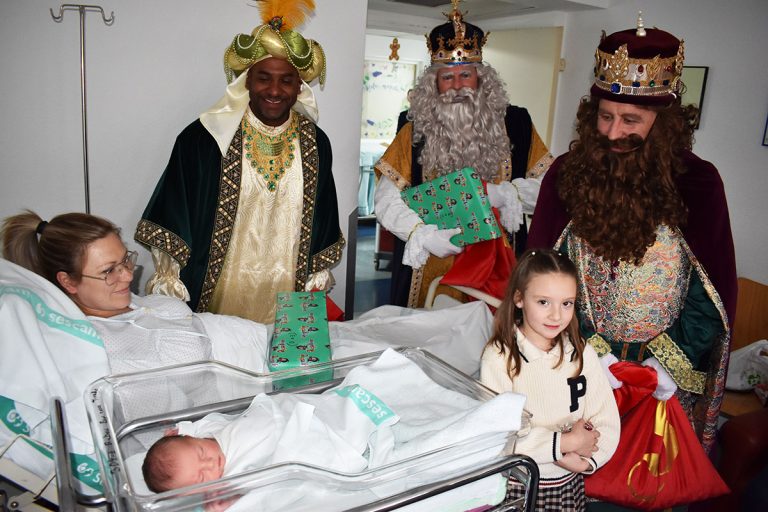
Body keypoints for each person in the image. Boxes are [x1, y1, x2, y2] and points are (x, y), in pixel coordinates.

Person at [527, 15, 737, 459]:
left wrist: (662, 366)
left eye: (630, 119)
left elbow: (711, 294)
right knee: (574, 475)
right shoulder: (567, 174)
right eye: (604, 117)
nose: (613, 133)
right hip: (577, 364)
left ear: (664, 124)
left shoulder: (698, 184)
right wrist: (590, 355)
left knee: (647, 488)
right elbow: (541, 277)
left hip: (663, 385)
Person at [134, 4, 344, 324]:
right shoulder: (204, 139)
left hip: (288, 297)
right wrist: (170, 277)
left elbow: (324, 218)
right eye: (264, 78)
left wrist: (316, 275)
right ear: (246, 81)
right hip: (217, 301)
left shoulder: (315, 143)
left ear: (300, 87)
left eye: (286, 80)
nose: (274, 90)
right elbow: (175, 211)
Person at [374, 0, 553, 308]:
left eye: (465, 75)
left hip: (499, 267)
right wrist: (421, 234)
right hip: (431, 266)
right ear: (434, 84)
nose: (457, 86)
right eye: (447, 77)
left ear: (482, 78)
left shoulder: (517, 123)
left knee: (491, 344)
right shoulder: (413, 126)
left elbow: (549, 188)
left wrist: (506, 194)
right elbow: (386, 200)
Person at [1, 210, 267, 375]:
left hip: (265, 350)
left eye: (125, 260)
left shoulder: (145, 305)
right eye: (108, 271)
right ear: (68, 282)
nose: (128, 275)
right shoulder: (97, 351)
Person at [481, 249, 620, 511]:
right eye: (544, 302)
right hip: (518, 485)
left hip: (569, 483)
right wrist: (564, 443)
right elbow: (497, 435)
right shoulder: (499, 358)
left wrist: (588, 461)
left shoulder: (581, 352)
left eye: (566, 303)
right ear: (519, 298)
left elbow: (605, 415)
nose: (557, 315)